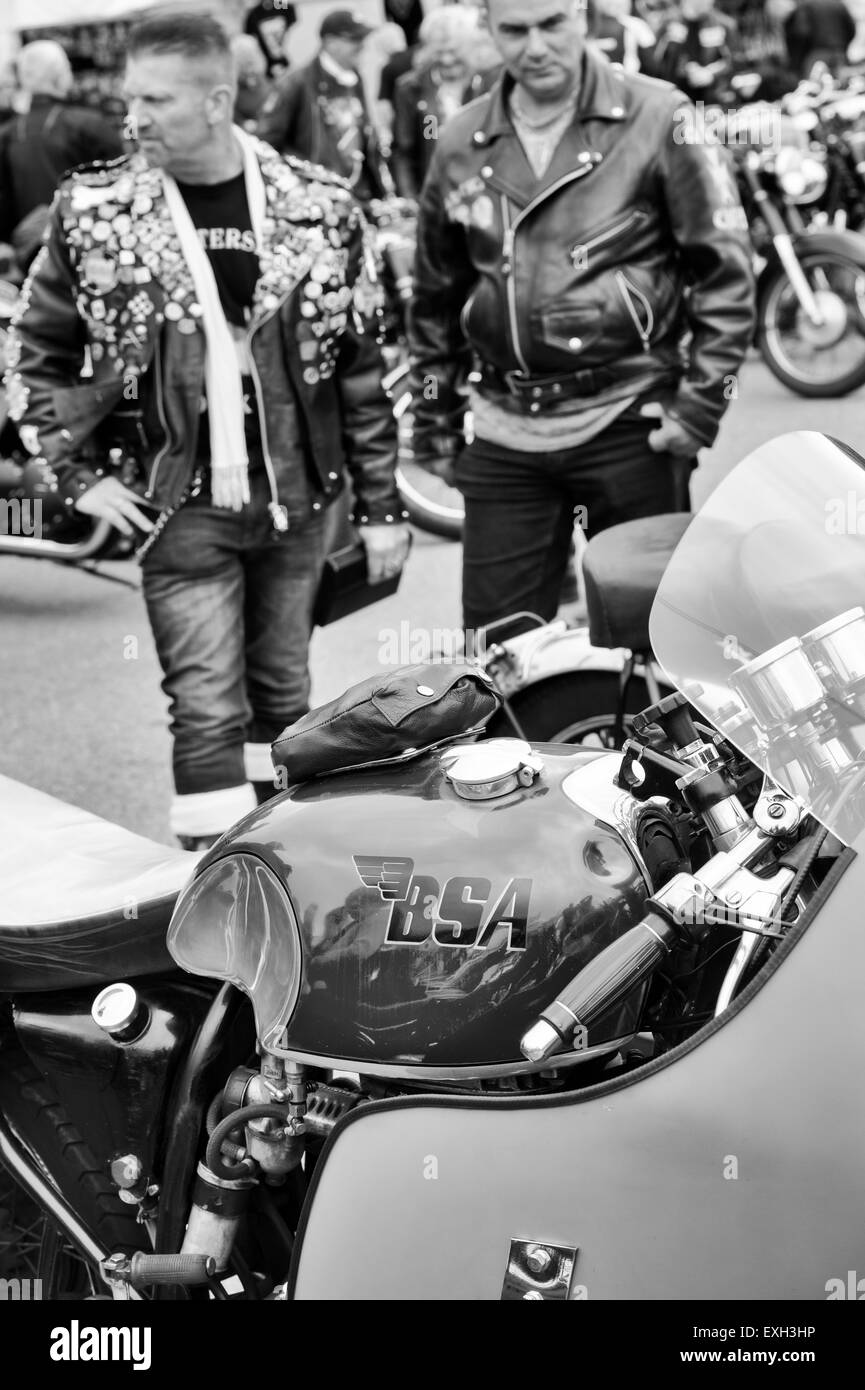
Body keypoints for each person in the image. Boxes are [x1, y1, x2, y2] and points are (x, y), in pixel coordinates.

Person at [3, 12, 409, 847]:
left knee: (285, 699)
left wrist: (383, 510)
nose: (134, 119)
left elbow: (360, 368)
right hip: (175, 501)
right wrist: (78, 479)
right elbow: (32, 354)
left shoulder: (319, 204)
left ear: (218, 98)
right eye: (129, 99)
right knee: (203, 707)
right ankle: (210, 894)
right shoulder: (95, 210)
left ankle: (279, 871)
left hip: (297, 498)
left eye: (155, 100)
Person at [407, 0, 754, 638]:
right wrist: (433, 425)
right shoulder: (459, 137)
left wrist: (697, 409)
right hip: (504, 430)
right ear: (489, 30)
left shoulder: (659, 115)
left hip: (629, 420)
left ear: (581, 17)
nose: (535, 46)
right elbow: (434, 294)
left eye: (551, 24)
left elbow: (726, 272)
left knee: (659, 648)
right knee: (496, 659)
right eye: (514, 29)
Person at [0, 40, 123, 266]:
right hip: (89, 253)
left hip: (30, 259)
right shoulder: (89, 126)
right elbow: (123, 188)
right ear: (59, 76)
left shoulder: (8, 134)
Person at [258, 9, 390, 202]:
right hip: (321, 200)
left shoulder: (354, 77)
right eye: (355, 40)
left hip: (360, 196)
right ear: (330, 42)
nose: (363, 46)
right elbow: (266, 145)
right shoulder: (295, 83)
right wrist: (299, 187)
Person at [392, 6, 489, 198]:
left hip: (485, 192)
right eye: (439, 52)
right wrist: (412, 200)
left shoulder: (486, 82)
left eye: (454, 51)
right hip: (437, 195)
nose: (446, 59)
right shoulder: (411, 89)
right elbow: (404, 153)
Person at [651, 0, 736, 103]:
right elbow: (653, 63)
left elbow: (734, 62)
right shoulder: (669, 23)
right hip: (674, 99)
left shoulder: (722, 24)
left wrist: (710, 73)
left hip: (712, 99)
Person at [784, 0, 856, 78]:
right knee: (841, 84)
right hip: (839, 52)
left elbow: (802, 32)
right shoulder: (838, 4)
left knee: (813, 85)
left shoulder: (807, 5)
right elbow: (851, 29)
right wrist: (842, 46)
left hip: (817, 53)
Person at [231, 33, 274, 132]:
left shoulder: (261, 77)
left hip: (266, 124)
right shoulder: (233, 85)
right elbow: (231, 113)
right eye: (245, 61)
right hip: (247, 131)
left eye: (251, 60)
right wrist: (243, 123)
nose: (250, 68)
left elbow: (271, 98)